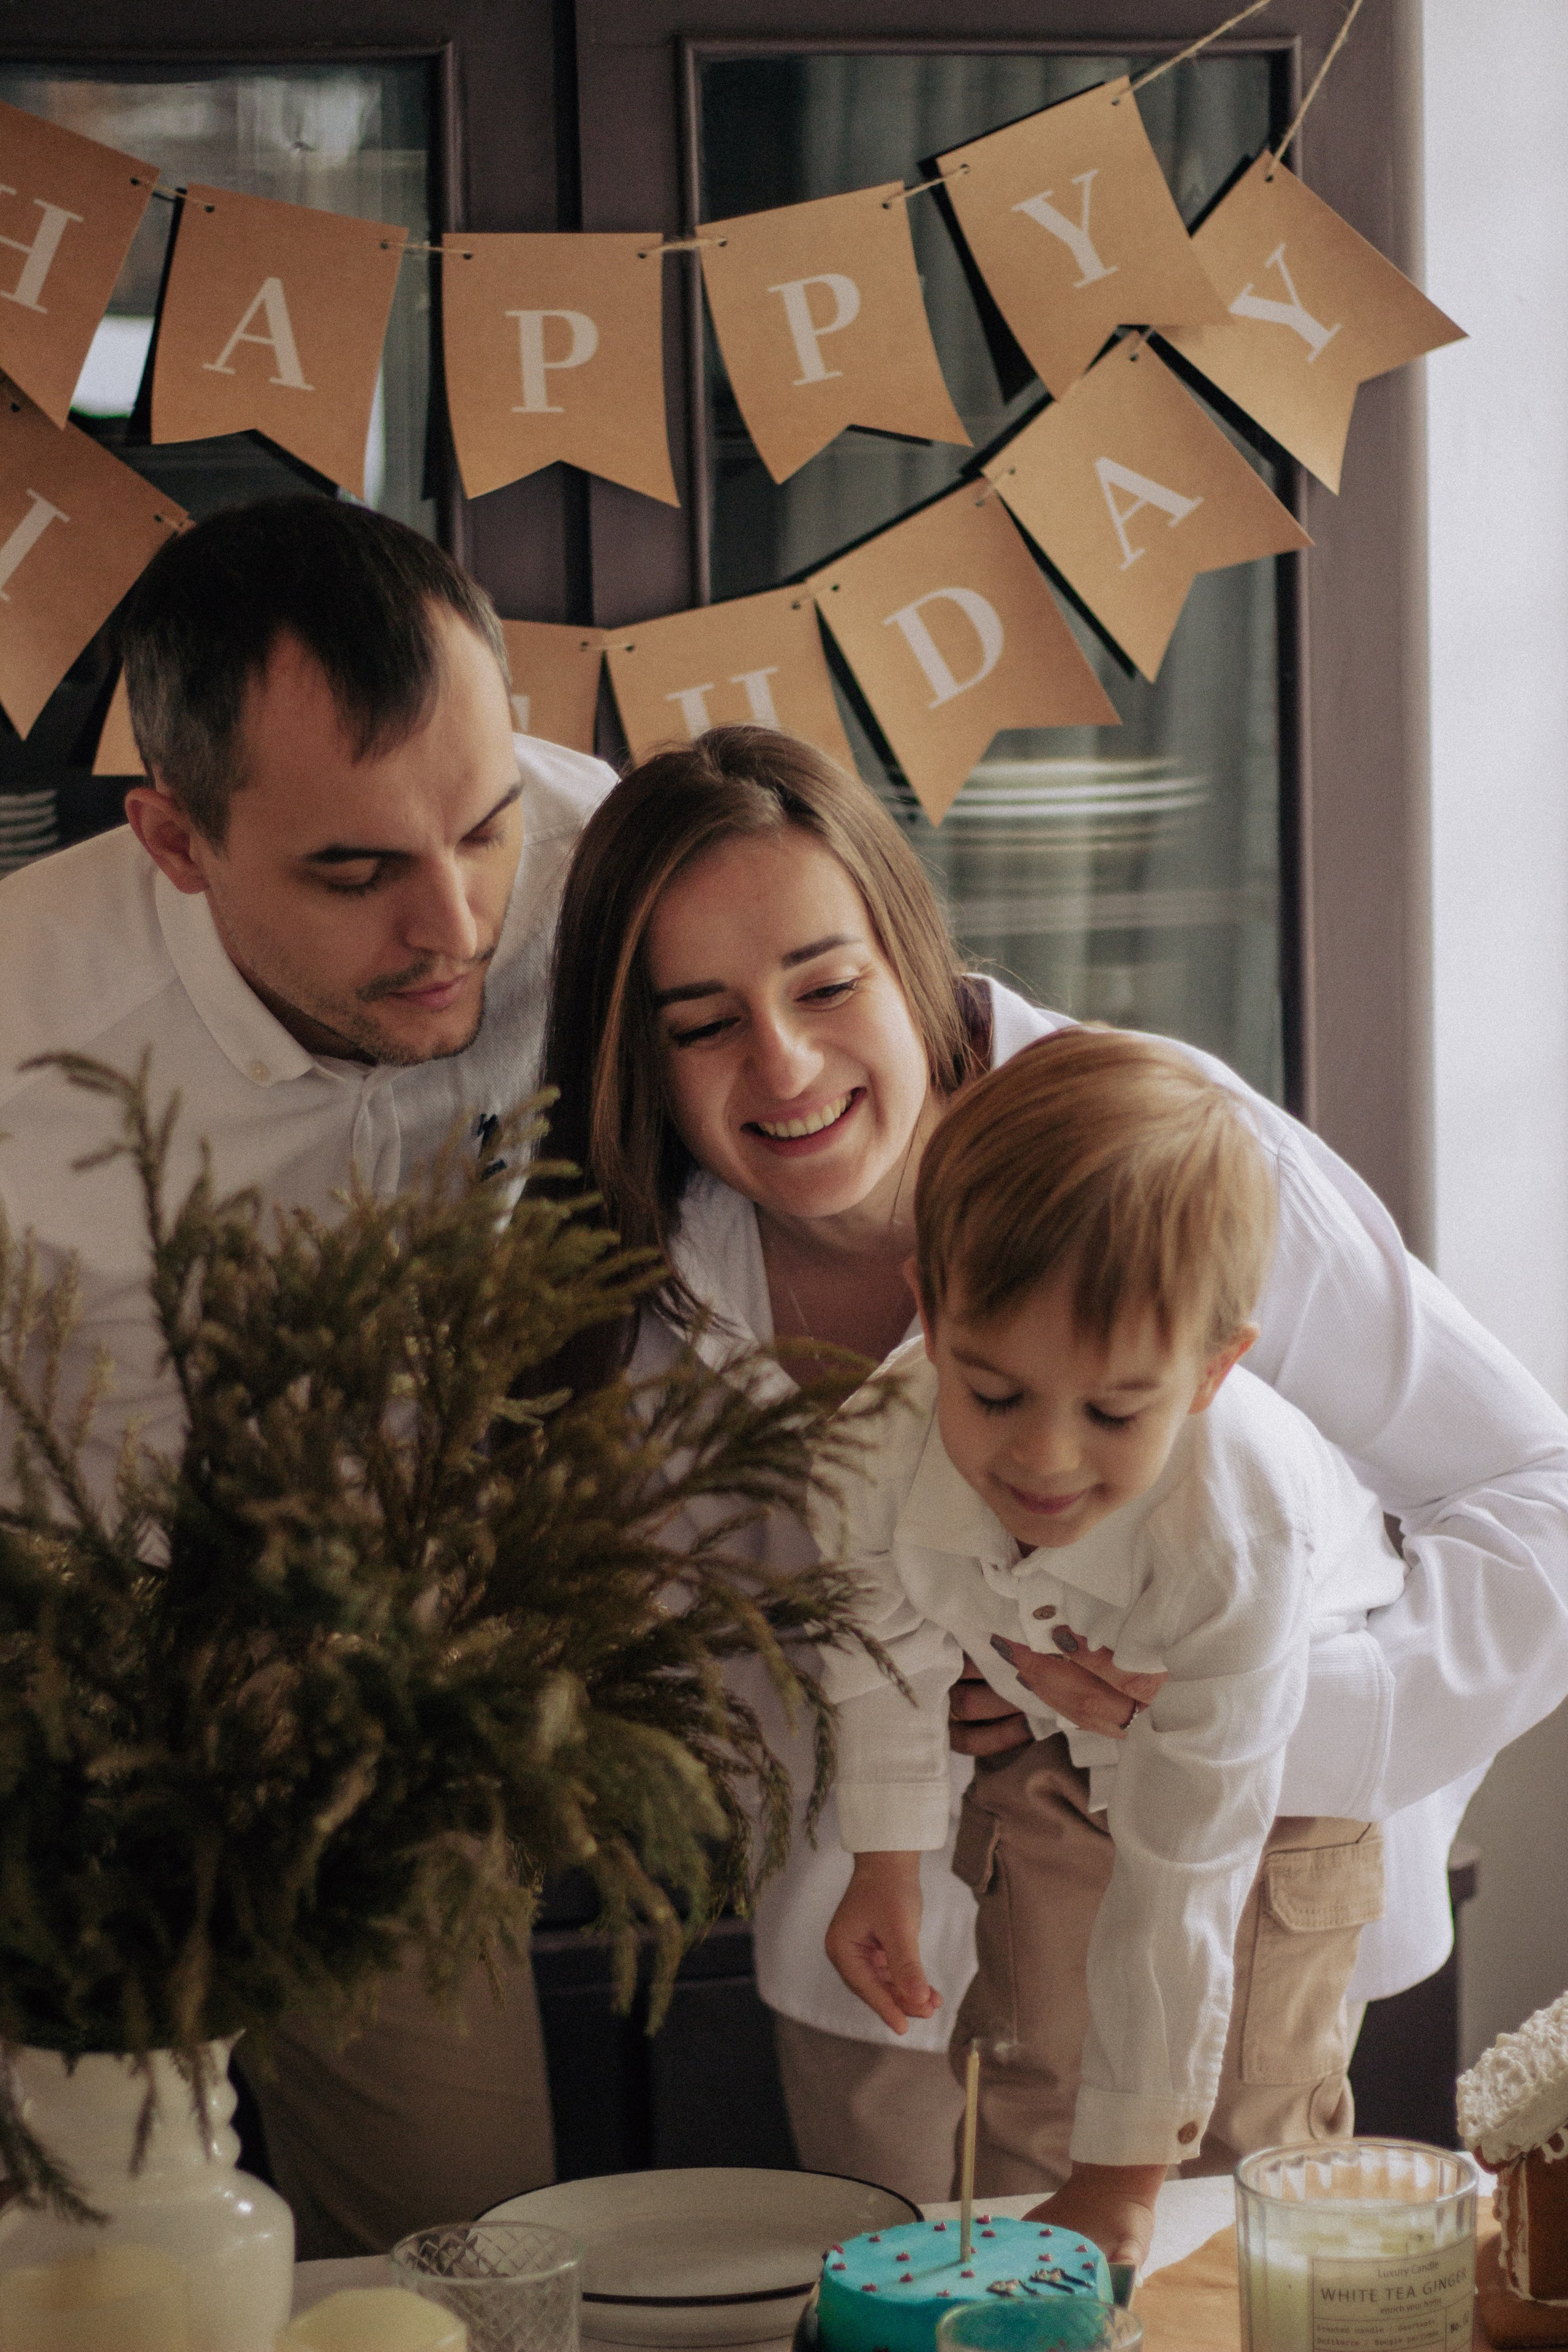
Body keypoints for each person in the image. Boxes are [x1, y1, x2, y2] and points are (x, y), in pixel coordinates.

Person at [541, 722, 1568, 2209]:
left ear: (909, 957)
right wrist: (876, 1719)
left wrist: (1233, 1708)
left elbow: (1538, 1502)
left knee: (1206, 2289)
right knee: (922, 2296)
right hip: (879, 1986)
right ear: (639, 1054)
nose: (783, 1063)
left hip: (1238, 1939)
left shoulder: (1163, 1159)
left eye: (826, 985)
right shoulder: (632, 1280)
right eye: (701, 1023)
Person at [0, 495, 616, 2255]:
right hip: (50, 1724)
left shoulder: (611, 870)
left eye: (482, 829)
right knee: (86, 2266)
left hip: (406, 1701)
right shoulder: (20, 1019)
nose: (455, 922)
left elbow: (928, 1071)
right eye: (354, 874)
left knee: (470, 2260)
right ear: (173, 840)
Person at [820, 1028, 1403, 2265]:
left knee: (1250, 2124)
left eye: (1112, 1410)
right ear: (929, 1313)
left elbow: (1190, 1855)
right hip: (1048, 1739)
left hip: (1269, 1784)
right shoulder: (871, 1442)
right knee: (1030, 2073)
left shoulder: (1235, 1526)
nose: (1042, 1458)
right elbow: (873, 1643)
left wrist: (1123, 2182)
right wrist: (884, 1861)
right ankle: (1024, 2307)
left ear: (1210, 1371)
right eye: (992, 1393)